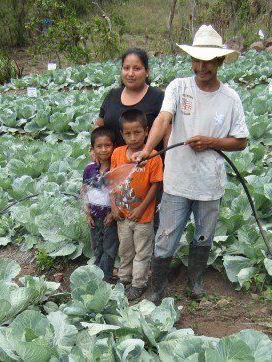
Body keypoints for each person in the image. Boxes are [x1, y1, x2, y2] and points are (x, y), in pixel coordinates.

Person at [132, 25, 248, 304]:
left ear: (219, 62)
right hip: (177, 179)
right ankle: (157, 290)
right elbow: (163, 119)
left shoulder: (230, 98)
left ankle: (194, 282)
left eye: (208, 61)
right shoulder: (179, 87)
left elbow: (241, 141)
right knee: (166, 237)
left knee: (204, 236)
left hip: (210, 182)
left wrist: (211, 142)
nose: (201, 67)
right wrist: (148, 149)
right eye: (196, 60)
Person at [110, 109, 163, 300]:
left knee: (142, 252)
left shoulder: (153, 156)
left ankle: (138, 283)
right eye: (128, 133)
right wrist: (114, 207)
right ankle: (124, 279)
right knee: (125, 250)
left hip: (143, 217)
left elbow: (156, 185)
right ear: (122, 134)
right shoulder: (117, 153)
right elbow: (112, 181)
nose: (133, 138)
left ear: (147, 131)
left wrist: (141, 208)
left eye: (137, 132)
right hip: (122, 216)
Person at [95, 48, 166, 152]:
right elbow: (98, 126)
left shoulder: (158, 97)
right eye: (126, 68)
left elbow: (168, 134)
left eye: (137, 68)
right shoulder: (112, 95)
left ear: (147, 72)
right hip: (114, 165)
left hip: (148, 165)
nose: (130, 73)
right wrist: (93, 148)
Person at [82, 127, 119, 282]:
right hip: (95, 216)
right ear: (93, 149)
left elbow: (120, 193)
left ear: (114, 147)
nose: (103, 150)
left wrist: (112, 213)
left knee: (109, 248)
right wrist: (87, 212)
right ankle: (98, 277)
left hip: (110, 217)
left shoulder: (117, 168)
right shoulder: (89, 169)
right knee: (97, 247)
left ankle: (106, 278)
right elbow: (85, 190)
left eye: (107, 145)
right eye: (99, 146)